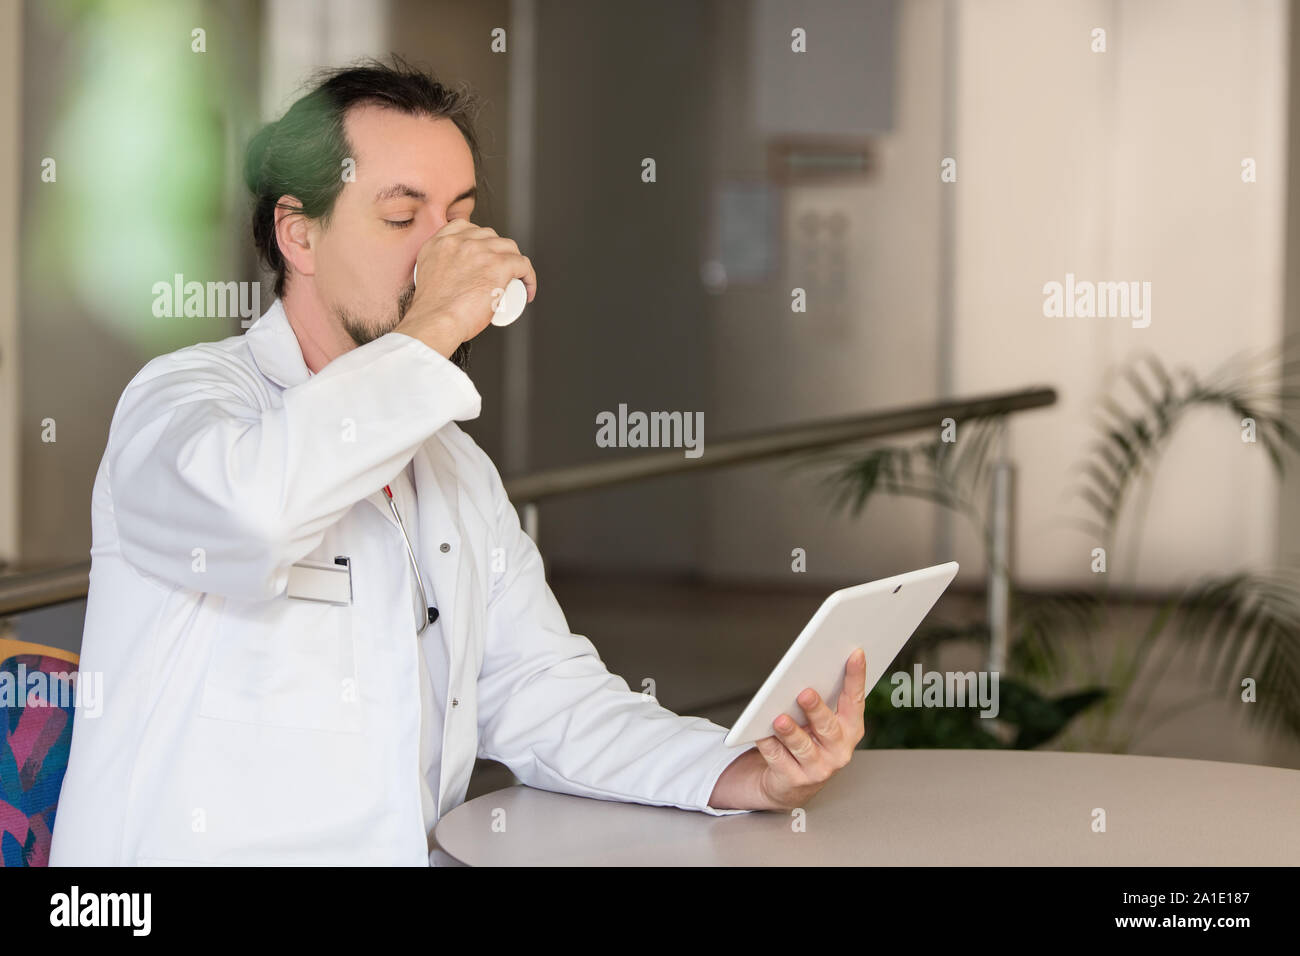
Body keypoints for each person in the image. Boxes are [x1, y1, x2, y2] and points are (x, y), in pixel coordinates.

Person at [49, 58, 865, 866]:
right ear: (298, 232)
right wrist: (434, 323)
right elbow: (250, 522)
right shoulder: (183, 405)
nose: (444, 253)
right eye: (403, 220)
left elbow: (544, 694)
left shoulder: (452, 469)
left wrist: (740, 772)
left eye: (461, 219)